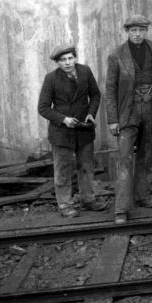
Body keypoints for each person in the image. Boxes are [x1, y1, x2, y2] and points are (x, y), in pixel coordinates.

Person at [106, 14, 152, 224]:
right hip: (127, 114)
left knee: (148, 156)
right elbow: (109, 89)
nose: (138, 34)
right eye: (134, 30)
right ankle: (122, 209)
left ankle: (143, 195)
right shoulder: (117, 55)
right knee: (124, 160)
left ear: (146, 31)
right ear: (127, 31)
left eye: (141, 30)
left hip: (151, 111)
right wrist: (113, 119)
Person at [37, 44, 105, 217]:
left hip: (83, 130)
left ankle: (88, 199)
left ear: (75, 58)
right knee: (63, 170)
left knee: (86, 167)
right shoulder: (51, 79)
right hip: (62, 133)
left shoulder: (85, 72)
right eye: (63, 60)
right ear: (57, 63)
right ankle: (65, 205)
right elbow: (43, 108)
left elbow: (95, 95)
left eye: (70, 58)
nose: (67, 63)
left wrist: (91, 114)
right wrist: (64, 119)